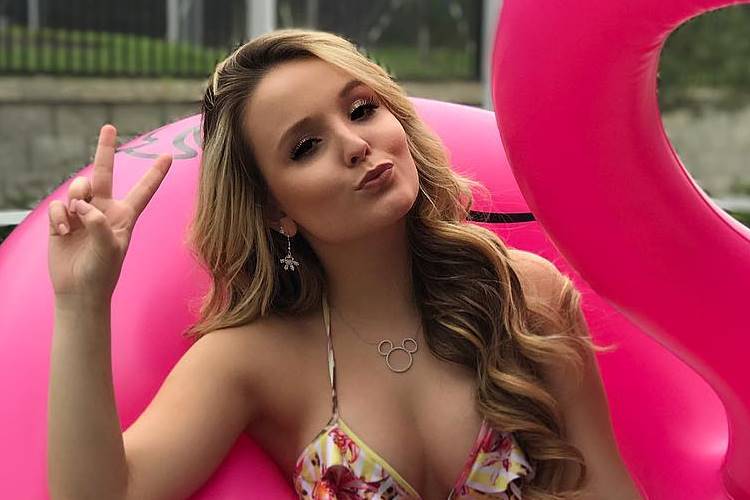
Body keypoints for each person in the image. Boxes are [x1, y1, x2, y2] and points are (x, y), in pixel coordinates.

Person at [47, 29, 642, 500]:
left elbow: (607, 489)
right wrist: (80, 299)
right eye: (306, 147)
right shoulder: (253, 358)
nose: (356, 144)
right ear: (274, 208)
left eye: (360, 110)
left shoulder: (523, 294)